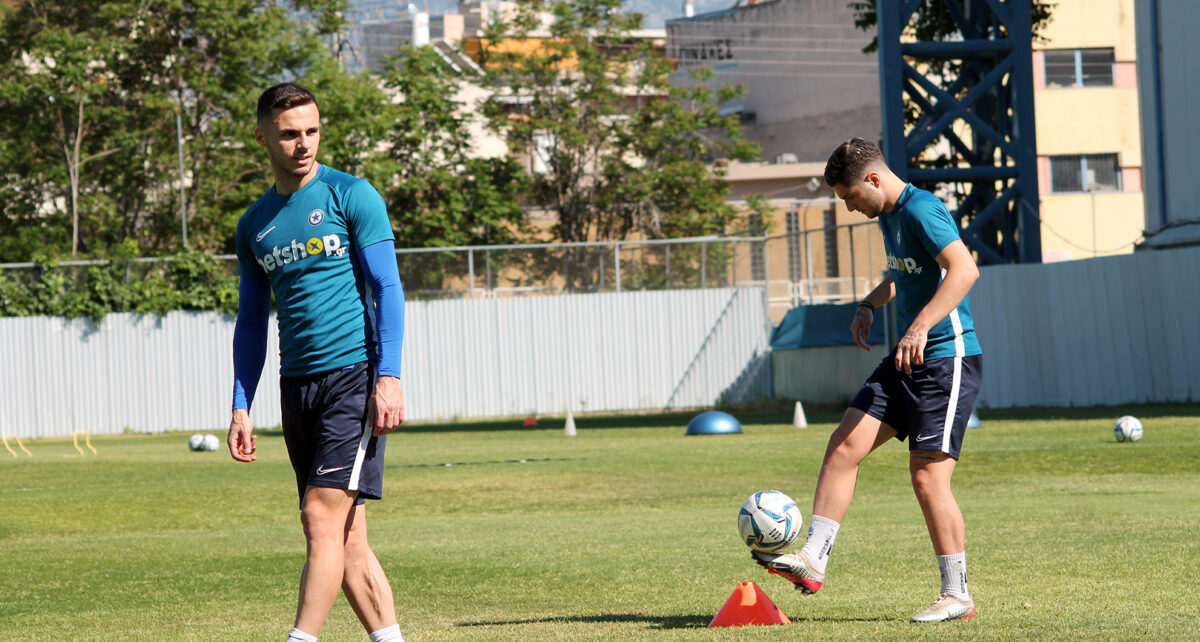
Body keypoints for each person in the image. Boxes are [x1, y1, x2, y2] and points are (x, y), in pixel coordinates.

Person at [752, 138, 982, 623]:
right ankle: (812, 560)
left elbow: (964, 269)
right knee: (843, 448)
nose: (851, 208)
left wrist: (920, 326)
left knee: (927, 477)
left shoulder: (922, 209)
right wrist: (868, 304)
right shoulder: (889, 215)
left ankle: (956, 594)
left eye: (851, 197)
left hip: (946, 358)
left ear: (873, 179)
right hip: (906, 358)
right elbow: (907, 272)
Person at [227, 82, 407, 642]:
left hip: (353, 376)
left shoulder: (351, 195)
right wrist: (240, 404)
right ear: (263, 137)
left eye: (311, 131)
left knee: (319, 517)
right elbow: (253, 322)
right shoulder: (254, 224)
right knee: (346, 535)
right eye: (288, 134)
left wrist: (390, 376)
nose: (303, 143)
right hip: (294, 386)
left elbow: (388, 287)